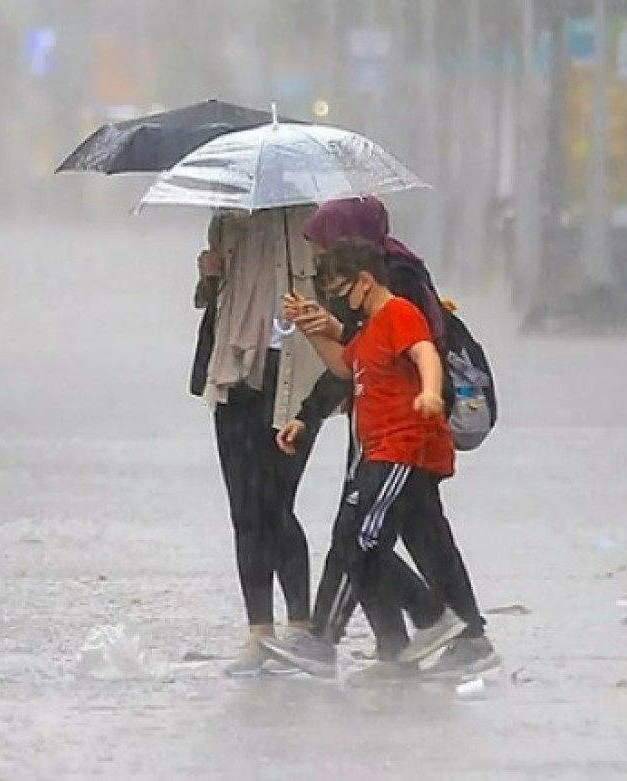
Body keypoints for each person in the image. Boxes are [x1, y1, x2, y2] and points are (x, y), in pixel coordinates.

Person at [264, 240, 499, 684]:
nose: (338, 300)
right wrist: (310, 328)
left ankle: (430, 618)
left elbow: (425, 353)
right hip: (379, 450)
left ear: (365, 282)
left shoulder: (398, 313)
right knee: (362, 540)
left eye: (341, 290)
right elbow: (344, 367)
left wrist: (429, 391)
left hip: (400, 449)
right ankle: (401, 643)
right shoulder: (369, 327)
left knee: (359, 540)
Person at [191, 206, 329, 677]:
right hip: (234, 374)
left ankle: (300, 625)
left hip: (295, 377)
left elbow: (339, 302)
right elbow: (213, 303)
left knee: (276, 503)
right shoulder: (228, 220)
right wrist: (209, 277)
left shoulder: (313, 223)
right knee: (244, 509)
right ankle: (259, 631)